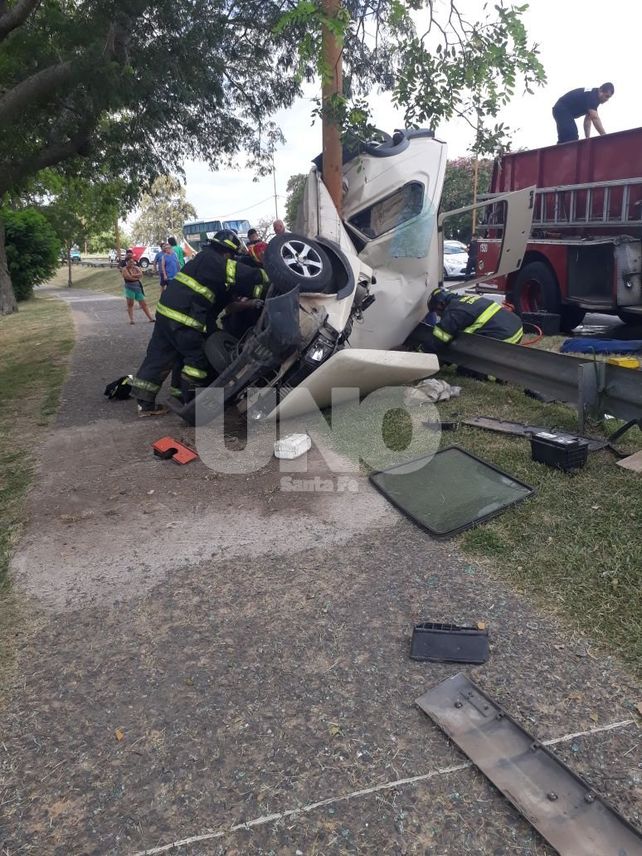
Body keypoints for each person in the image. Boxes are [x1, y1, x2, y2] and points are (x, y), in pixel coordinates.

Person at [131, 229, 269, 416]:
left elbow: (223, 300)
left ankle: (147, 403)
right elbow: (242, 274)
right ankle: (191, 404)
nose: (232, 259)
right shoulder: (216, 261)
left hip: (165, 312)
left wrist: (250, 300)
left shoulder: (203, 259)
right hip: (183, 316)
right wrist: (267, 275)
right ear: (226, 251)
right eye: (232, 255)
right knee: (197, 359)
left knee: (160, 355)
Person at [420, 288, 523, 352]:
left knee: (466, 364)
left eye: (436, 312)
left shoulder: (454, 311)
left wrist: (422, 351)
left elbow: (439, 338)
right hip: (517, 328)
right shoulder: (466, 299)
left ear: (440, 304)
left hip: (506, 338)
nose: (438, 315)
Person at [121, 252, 155, 324]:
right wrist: (136, 277)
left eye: (133, 262)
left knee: (143, 303)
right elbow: (128, 277)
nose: (132, 263)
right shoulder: (124, 269)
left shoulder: (136, 267)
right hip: (129, 287)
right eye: (130, 262)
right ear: (127, 262)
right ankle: (131, 319)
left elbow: (140, 274)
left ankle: (150, 318)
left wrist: (133, 275)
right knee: (130, 304)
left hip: (137, 287)